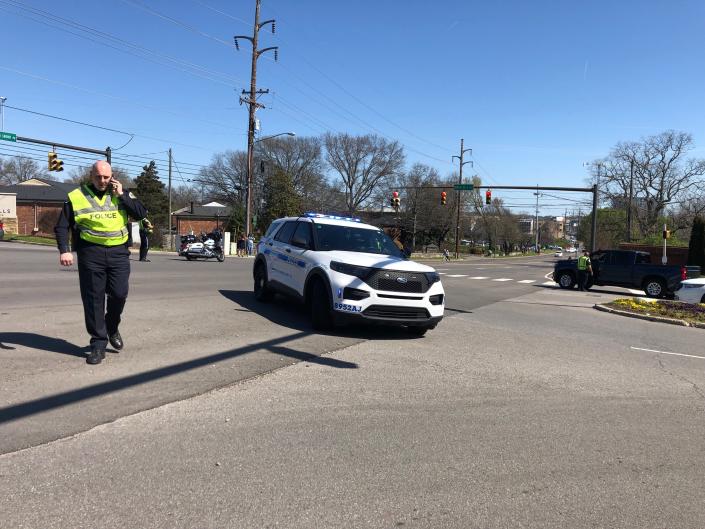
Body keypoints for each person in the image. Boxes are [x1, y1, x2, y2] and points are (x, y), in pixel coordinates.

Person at [55, 160, 147, 365]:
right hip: (91, 253)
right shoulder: (76, 196)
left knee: (119, 294)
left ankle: (111, 326)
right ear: (91, 175)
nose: (102, 180)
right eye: (98, 176)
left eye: (106, 177)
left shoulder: (121, 193)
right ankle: (98, 344)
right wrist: (65, 250)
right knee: (94, 299)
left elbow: (141, 213)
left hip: (119, 253)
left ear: (112, 176)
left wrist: (122, 195)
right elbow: (62, 227)